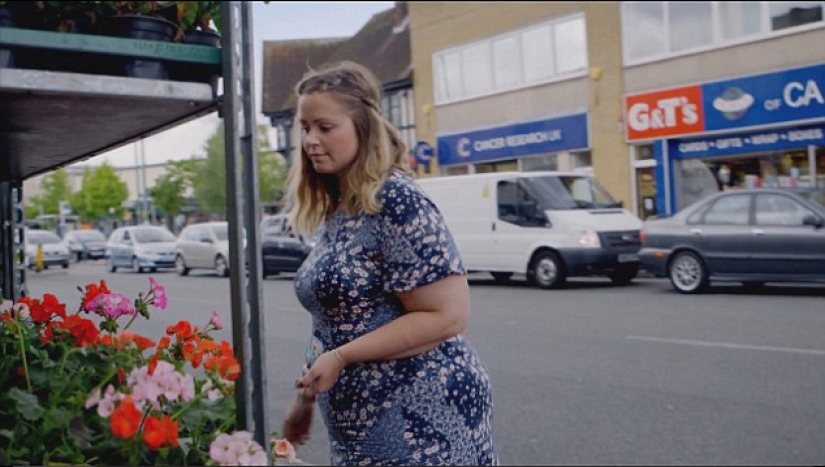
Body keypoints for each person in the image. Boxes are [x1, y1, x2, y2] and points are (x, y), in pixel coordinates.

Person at [280, 60, 498, 466]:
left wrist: (342, 358)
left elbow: (448, 315)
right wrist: (306, 397)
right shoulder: (339, 208)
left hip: (420, 415)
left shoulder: (395, 200)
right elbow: (331, 324)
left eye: (325, 127)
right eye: (305, 128)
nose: (310, 140)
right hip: (362, 421)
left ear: (364, 127)